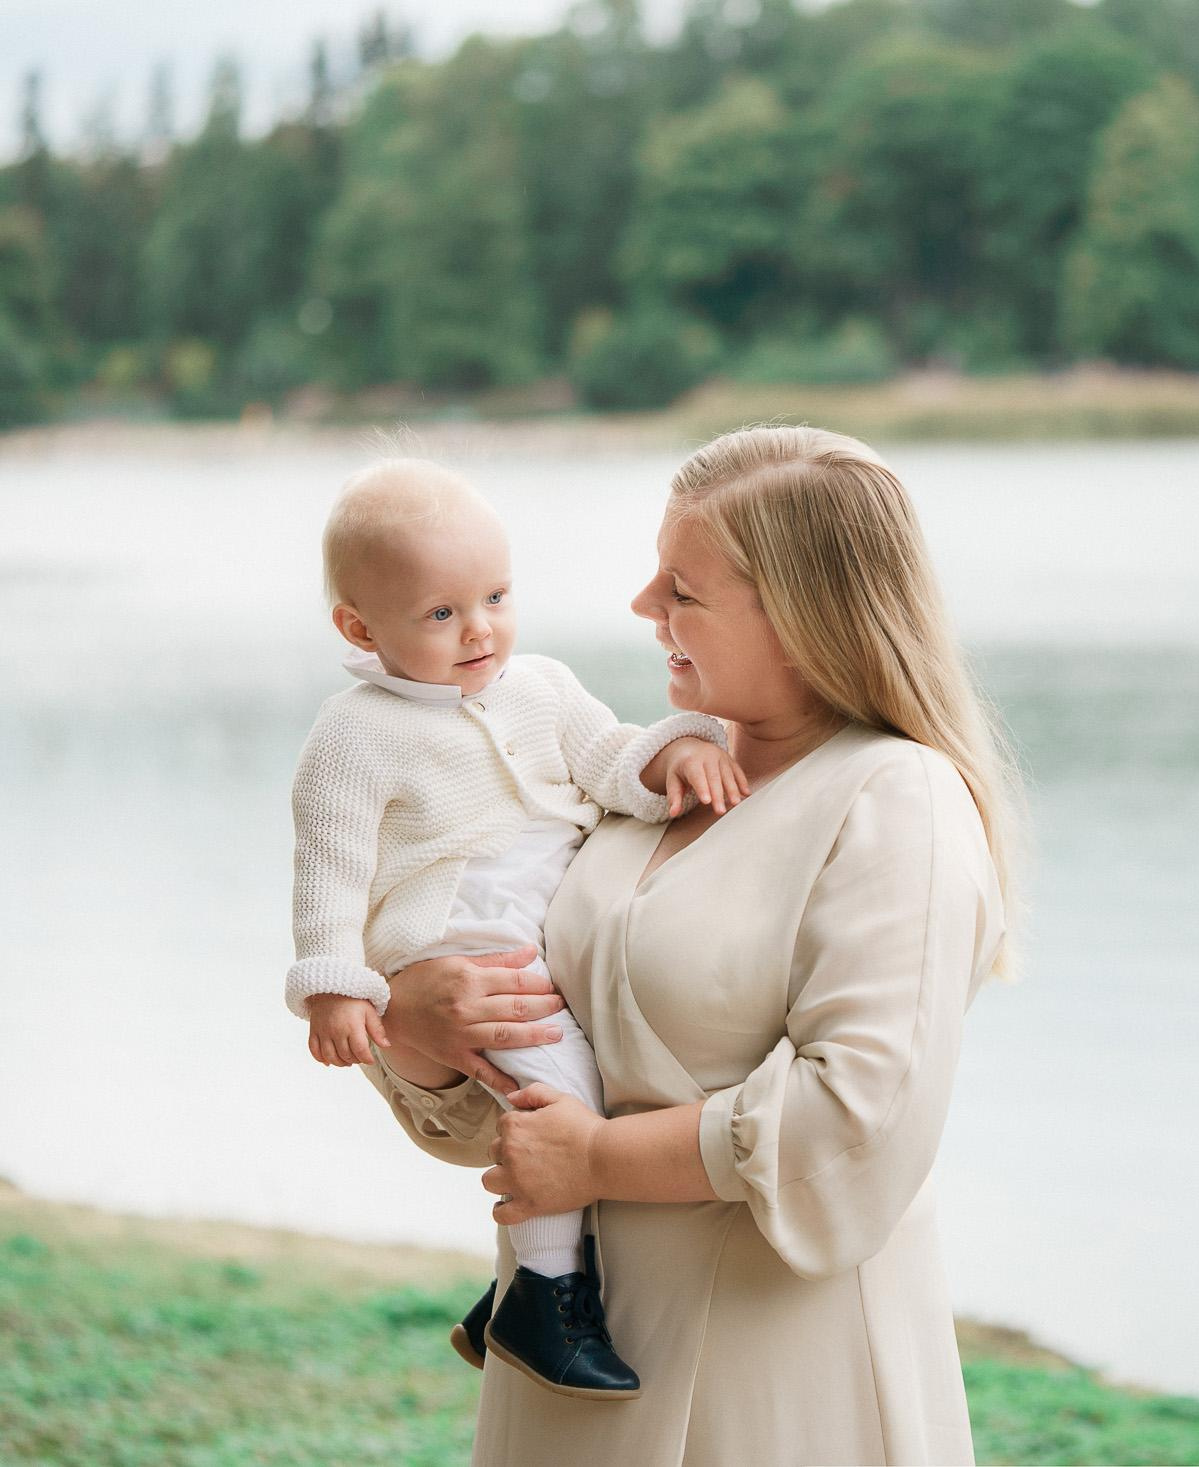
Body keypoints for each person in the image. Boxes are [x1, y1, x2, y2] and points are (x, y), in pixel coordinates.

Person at [363, 424, 1019, 1466]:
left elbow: (858, 1118)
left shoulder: (897, 799)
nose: (642, 608)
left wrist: (594, 1158)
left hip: (775, 1378)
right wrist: (421, 1034)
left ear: (805, 618)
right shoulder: (638, 782)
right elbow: (490, 1126)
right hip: (570, 1367)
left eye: (683, 588)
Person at [286, 457, 746, 1397]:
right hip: (459, 939)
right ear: (358, 626)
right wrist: (334, 981)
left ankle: (513, 1287)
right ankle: (543, 1293)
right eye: (441, 613)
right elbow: (328, 864)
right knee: (558, 1088)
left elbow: (607, 757)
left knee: (591, 1071)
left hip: (532, 924)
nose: (481, 628)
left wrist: (678, 748)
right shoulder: (355, 731)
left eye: (496, 595)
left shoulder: (539, 685)